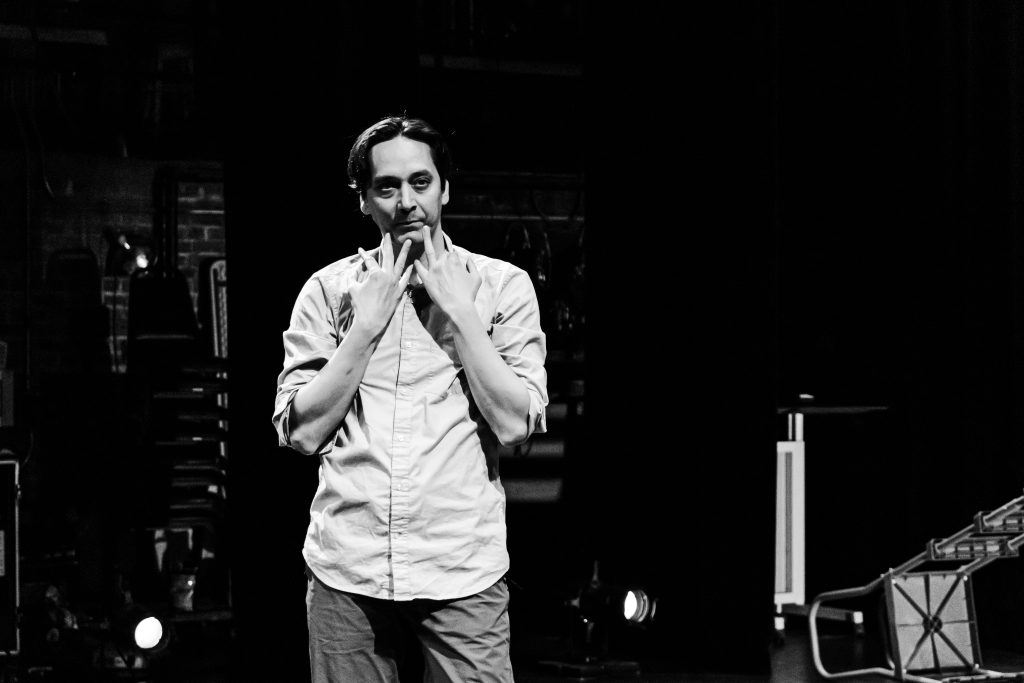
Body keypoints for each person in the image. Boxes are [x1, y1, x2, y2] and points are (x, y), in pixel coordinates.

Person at [272, 115, 549, 682]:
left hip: (460, 566)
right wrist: (365, 327)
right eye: (387, 187)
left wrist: (462, 313)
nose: (406, 202)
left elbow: (516, 423)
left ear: (444, 188)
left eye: (420, 182)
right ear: (365, 201)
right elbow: (300, 432)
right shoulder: (328, 291)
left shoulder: (501, 286)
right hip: (349, 568)